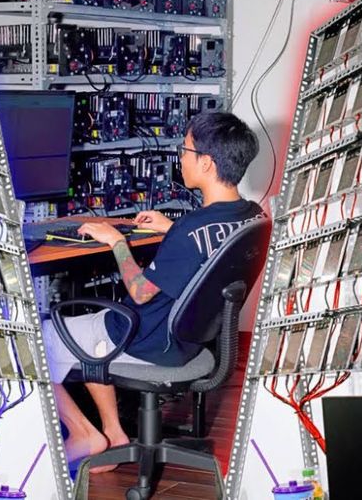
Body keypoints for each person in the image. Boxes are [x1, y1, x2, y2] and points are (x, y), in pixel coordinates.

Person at [42, 111, 265, 471]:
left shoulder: (189, 230)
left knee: (43, 336)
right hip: (193, 340)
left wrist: (116, 241)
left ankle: (85, 434)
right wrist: (171, 227)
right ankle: (114, 436)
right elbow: (208, 242)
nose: (180, 157)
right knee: (96, 327)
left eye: (185, 150)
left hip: (150, 343)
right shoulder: (252, 216)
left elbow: (141, 291)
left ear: (206, 163)